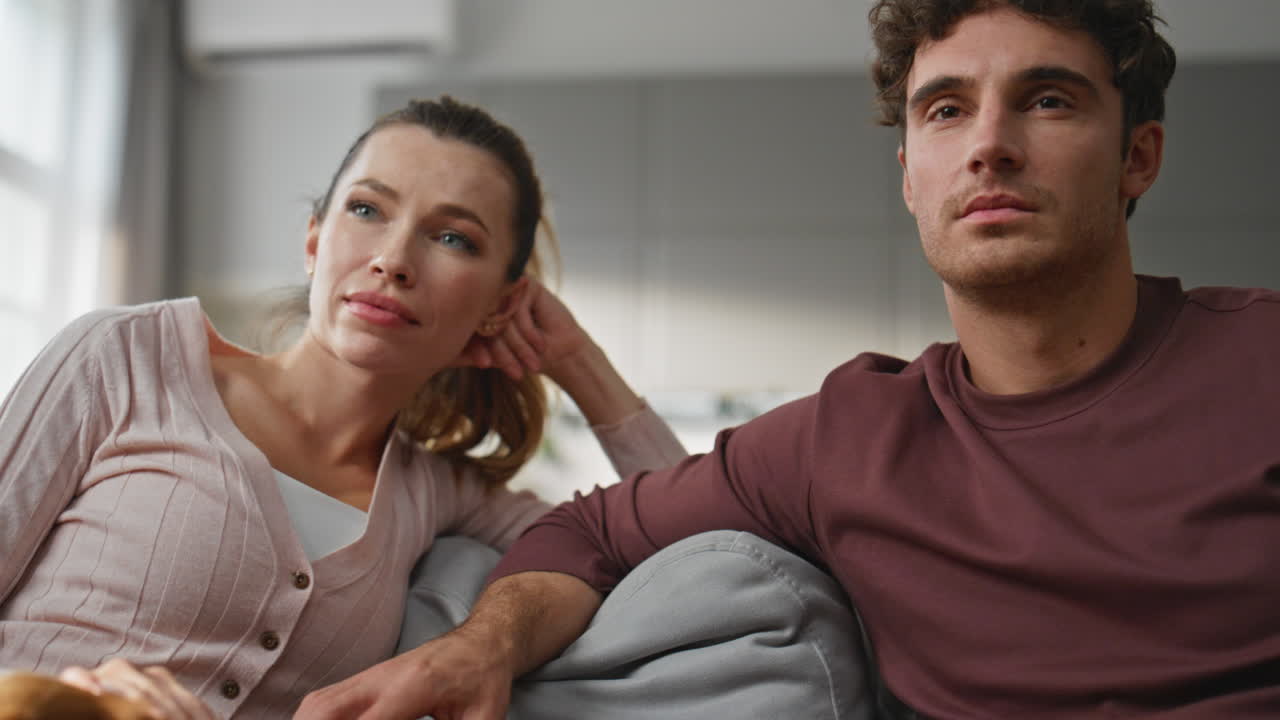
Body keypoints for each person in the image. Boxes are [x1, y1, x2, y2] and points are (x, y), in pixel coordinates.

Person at [295, 1, 1280, 718]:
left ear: (1137, 156)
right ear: (907, 175)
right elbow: (586, 531)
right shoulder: (848, 436)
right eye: (943, 109)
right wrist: (482, 648)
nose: (988, 145)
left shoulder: (1258, 362)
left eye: (1047, 100)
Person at [0, 96, 686, 718]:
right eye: (367, 209)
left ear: (501, 305)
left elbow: (685, 559)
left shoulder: (438, 493)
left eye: (454, 238)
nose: (392, 258)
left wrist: (578, 362)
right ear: (312, 242)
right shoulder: (125, 359)